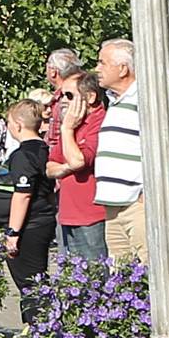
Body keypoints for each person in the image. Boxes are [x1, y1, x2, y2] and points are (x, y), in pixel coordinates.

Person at [0, 98, 59, 286]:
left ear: (19, 125)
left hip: (30, 226)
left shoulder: (24, 155)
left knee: (29, 282)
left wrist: (13, 233)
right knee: (33, 279)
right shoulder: (42, 149)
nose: (8, 126)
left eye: (10, 123)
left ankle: (37, 315)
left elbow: (23, 194)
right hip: (40, 221)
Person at [93, 39, 146, 259]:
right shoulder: (114, 101)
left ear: (123, 69)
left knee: (148, 268)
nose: (97, 69)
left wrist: (147, 192)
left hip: (137, 204)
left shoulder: (144, 99)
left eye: (102, 63)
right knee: (121, 277)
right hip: (113, 205)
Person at [49, 68, 108, 264]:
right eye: (60, 95)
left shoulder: (99, 121)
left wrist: (66, 129)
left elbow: (78, 161)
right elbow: (50, 167)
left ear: (89, 97)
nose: (63, 100)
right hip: (68, 214)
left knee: (96, 279)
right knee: (75, 281)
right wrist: (67, 168)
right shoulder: (75, 124)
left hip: (92, 216)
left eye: (68, 95)